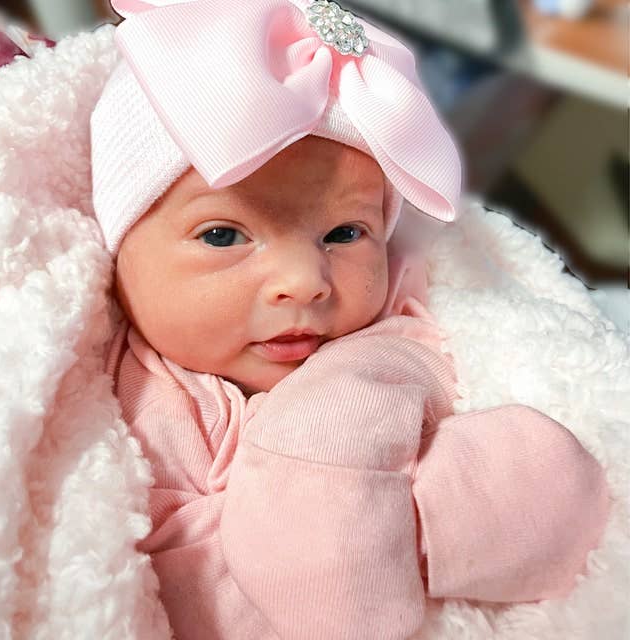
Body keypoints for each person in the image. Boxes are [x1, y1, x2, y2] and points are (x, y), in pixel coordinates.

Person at [91, 1, 610, 638]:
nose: (305, 280)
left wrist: (339, 421)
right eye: (223, 235)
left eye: (344, 233)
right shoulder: (113, 407)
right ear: (118, 254)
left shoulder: (401, 343)